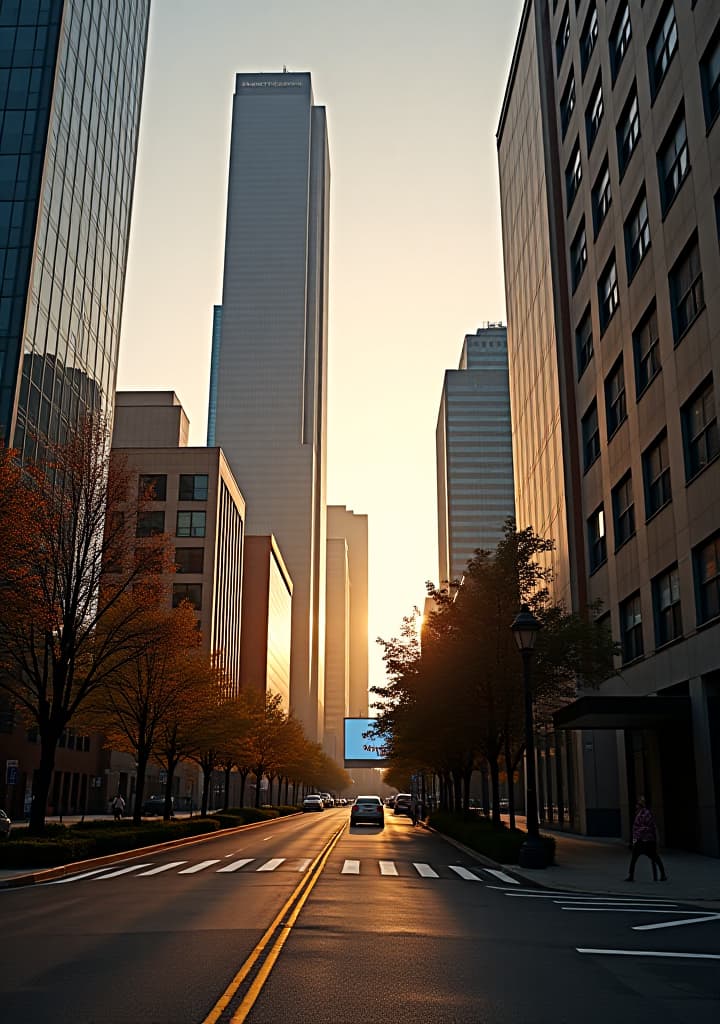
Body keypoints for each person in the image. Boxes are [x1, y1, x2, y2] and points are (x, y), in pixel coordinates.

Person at [625, 796, 667, 882]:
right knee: (653, 858)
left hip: (644, 840)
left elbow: (643, 828)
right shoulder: (641, 814)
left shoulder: (644, 814)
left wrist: (636, 839)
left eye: (637, 805)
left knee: (652, 857)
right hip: (643, 840)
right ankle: (662, 875)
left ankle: (631, 876)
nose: (636, 807)